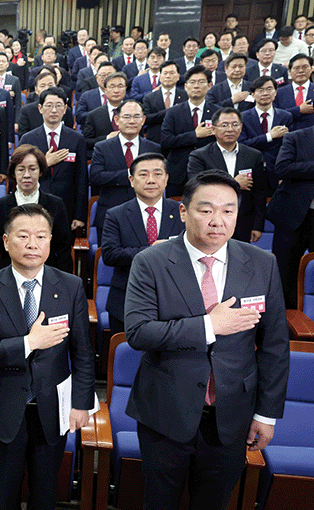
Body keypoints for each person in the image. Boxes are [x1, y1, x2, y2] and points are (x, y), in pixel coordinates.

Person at [124, 169, 289, 510]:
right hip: (165, 410)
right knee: (160, 501)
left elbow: (274, 346)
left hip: (232, 413)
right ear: (183, 212)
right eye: (206, 209)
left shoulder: (262, 264)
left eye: (228, 210)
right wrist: (208, 326)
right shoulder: (151, 262)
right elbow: (139, 332)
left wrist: (267, 415)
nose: (218, 220)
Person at [0, 203, 95, 510]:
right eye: (23, 236)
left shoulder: (70, 286)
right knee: (6, 494)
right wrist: (29, 342)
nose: (32, 244)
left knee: (45, 494)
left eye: (41, 236)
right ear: (6, 241)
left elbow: (82, 353)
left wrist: (82, 403)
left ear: (51, 241)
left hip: (52, 409)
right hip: (5, 407)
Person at [101, 152, 183, 334]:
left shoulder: (182, 212)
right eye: (143, 174)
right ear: (131, 180)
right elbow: (109, 254)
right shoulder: (116, 214)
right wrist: (152, 250)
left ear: (167, 179)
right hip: (126, 300)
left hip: (174, 300)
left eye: (158, 174)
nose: (151, 180)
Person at [0, 145, 72, 273]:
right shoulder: (1, 205)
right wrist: (17, 241)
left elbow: (63, 247)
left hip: (47, 272)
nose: (26, 175)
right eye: (21, 169)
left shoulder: (56, 204)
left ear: (41, 172)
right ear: (14, 173)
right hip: (9, 272)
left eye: (32, 169)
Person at [187, 107, 266, 244]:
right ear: (213, 129)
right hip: (210, 222)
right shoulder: (200, 156)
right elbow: (197, 187)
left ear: (241, 128)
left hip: (243, 223)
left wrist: (257, 225)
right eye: (224, 125)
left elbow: (259, 193)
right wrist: (234, 183)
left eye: (235, 124)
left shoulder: (254, 155)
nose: (230, 129)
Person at [19, 87, 88, 234]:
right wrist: (45, 162)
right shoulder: (28, 139)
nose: (54, 110)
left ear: (65, 109)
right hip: (34, 205)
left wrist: (80, 215)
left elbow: (82, 179)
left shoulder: (76, 139)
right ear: (40, 108)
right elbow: (19, 174)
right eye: (49, 105)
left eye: (58, 106)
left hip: (66, 207)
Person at [90, 100, 161, 232]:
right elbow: (96, 177)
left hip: (144, 213)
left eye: (137, 116)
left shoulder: (153, 148)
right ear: (116, 120)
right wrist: (131, 174)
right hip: (109, 212)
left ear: (143, 120)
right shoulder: (102, 147)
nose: (132, 121)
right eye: (127, 116)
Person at [269, 120, 314, 307]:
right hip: (292, 215)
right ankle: (287, 321)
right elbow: (282, 168)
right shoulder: (295, 137)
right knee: (285, 272)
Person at [160, 65, 217, 197]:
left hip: (208, 171)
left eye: (201, 82)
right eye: (192, 82)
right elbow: (166, 141)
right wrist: (194, 135)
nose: (196, 86)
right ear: (185, 86)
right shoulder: (173, 112)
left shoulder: (217, 112)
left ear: (209, 85)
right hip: (178, 173)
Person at [238, 76, 291, 190]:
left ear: (275, 92)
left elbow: (289, 147)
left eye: (269, 89)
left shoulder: (285, 116)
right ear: (253, 94)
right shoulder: (242, 117)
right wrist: (269, 136)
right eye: (260, 90)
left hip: (277, 170)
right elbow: (241, 144)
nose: (265, 93)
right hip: (251, 170)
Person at [142, 61, 187, 144]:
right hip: (155, 141)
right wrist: (170, 111)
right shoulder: (149, 97)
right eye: (165, 73)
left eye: (172, 73)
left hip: (179, 140)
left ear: (178, 76)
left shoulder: (186, 96)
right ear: (160, 76)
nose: (168, 76)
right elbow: (145, 118)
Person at [83, 72, 128, 151]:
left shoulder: (134, 111)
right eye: (112, 87)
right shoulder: (94, 115)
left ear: (126, 88)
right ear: (104, 90)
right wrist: (106, 138)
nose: (116, 91)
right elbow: (86, 142)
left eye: (120, 86)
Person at [274, 53, 314, 131]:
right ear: (290, 71)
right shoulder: (279, 93)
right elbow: (275, 115)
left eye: (305, 67)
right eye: (296, 68)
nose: (301, 71)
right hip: (287, 136)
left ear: (311, 69)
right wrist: (298, 110)